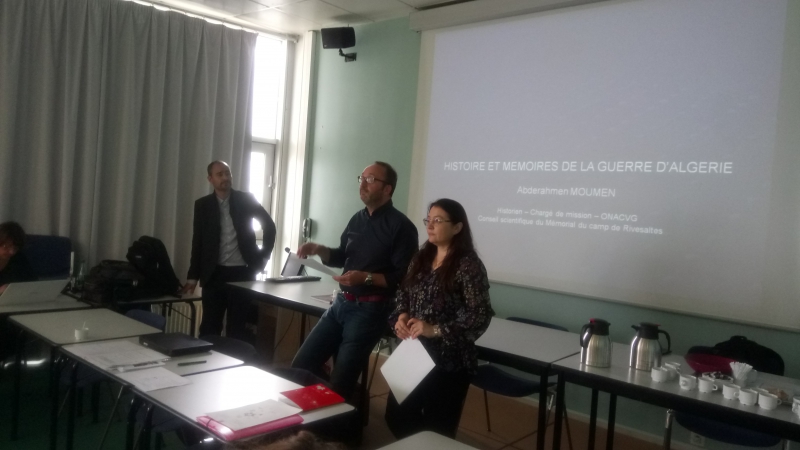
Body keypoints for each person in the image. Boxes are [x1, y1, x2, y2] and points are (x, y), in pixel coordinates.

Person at [291, 162, 419, 400]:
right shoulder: (357, 219)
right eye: (361, 178)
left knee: (340, 383)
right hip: (341, 304)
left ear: (387, 189)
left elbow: (404, 278)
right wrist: (319, 249)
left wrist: (365, 278)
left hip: (370, 310)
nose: (362, 184)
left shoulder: (402, 227)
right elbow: (342, 256)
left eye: (370, 180)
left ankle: (338, 417)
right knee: (300, 366)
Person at [386, 198, 494, 439]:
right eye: (428, 219)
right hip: (414, 353)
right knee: (396, 416)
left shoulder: (468, 265)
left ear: (457, 227)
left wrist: (435, 329)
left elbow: (479, 315)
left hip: (449, 360)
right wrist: (402, 316)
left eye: (438, 220)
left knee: (437, 429)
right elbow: (403, 292)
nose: (430, 225)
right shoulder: (421, 257)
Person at [183, 161, 276, 338]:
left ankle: (234, 356)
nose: (225, 177)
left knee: (238, 328)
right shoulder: (202, 205)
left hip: (242, 273)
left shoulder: (246, 199)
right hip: (214, 275)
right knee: (210, 327)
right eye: (220, 174)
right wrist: (192, 276)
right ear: (210, 179)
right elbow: (198, 241)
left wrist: (263, 257)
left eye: (227, 173)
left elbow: (269, 226)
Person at [0, 221, 37, 294]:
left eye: (15, 248)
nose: (11, 252)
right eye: (6, 246)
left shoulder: (18, 258)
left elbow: (33, 283)